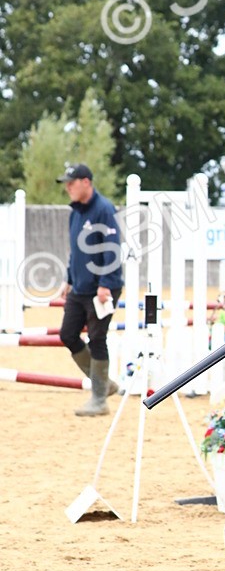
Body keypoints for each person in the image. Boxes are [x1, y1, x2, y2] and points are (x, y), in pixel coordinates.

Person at [56, 163, 124, 416]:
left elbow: (112, 249)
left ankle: (99, 400)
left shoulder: (104, 209)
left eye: (71, 183)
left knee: (97, 339)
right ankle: (103, 384)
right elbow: (76, 251)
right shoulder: (75, 213)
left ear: (86, 182)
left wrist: (105, 284)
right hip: (80, 287)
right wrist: (69, 279)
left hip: (102, 288)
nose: (68, 188)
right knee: (68, 334)